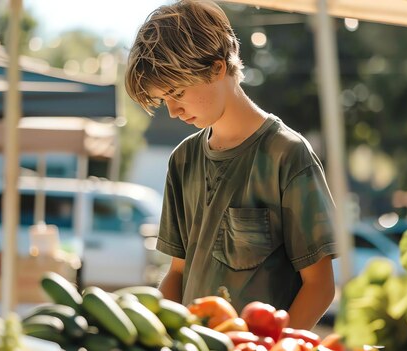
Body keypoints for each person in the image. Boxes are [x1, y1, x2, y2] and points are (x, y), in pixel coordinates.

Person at [125, 0, 336, 329]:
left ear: (216, 68)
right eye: (163, 99)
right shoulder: (182, 160)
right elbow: (178, 273)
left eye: (177, 92)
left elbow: (320, 285)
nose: (172, 111)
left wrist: (276, 346)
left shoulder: (288, 155)